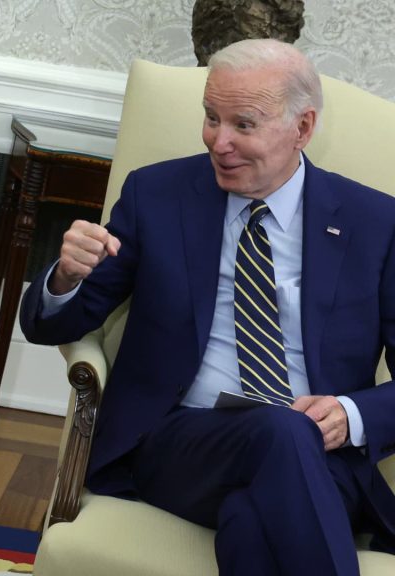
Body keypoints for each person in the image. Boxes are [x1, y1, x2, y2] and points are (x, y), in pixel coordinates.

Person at [20, 38, 395, 575]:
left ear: (303, 127)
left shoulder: (375, 223)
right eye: (211, 117)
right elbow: (60, 321)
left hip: (321, 454)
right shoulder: (157, 195)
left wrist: (350, 415)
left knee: (250, 521)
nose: (220, 142)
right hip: (180, 443)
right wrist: (66, 276)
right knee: (282, 431)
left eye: (244, 124)